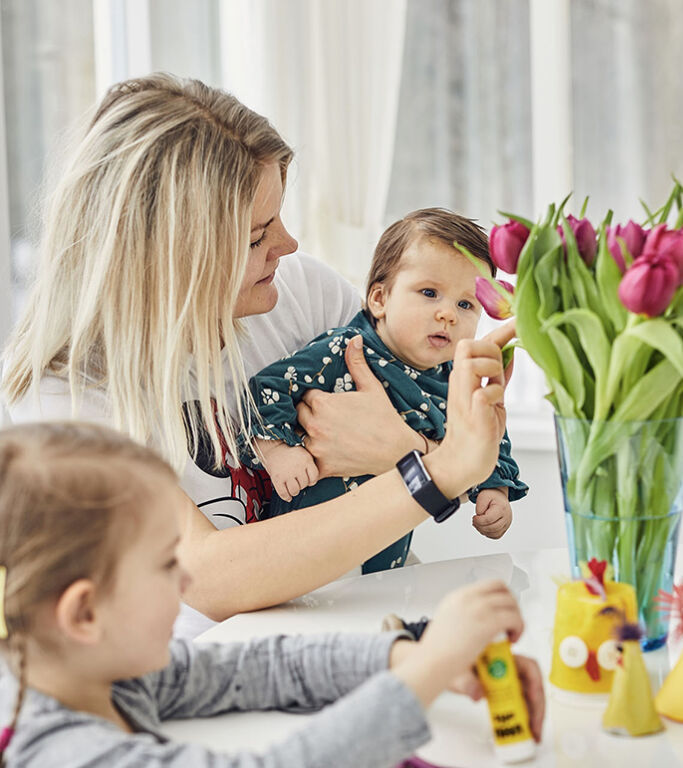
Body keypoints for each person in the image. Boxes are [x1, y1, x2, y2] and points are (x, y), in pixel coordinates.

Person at [0, 72, 519, 632]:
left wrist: (410, 448)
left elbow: (421, 413)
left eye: (279, 217)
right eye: (255, 236)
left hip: (374, 617)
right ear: (168, 255)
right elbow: (206, 579)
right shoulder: (65, 391)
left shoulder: (302, 294)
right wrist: (429, 471)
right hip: (220, 672)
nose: (288, 244)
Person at [0, 422, 545, 767]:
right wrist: (427, 672)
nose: (186, 581)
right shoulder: (62, 753)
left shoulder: (101, 679)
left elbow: (263, 668)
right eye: (166, 565)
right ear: (85, 613)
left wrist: (411, 656)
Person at [245, 208, 528, 573]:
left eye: (465, 304)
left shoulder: (459, 378)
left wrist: (495, 490)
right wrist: (278, 451)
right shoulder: (346, 349)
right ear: (379, 299)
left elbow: (488, 436)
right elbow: (267, 388)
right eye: (429, 293)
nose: (448, 315)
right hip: (300, 550)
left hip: (383, 561)